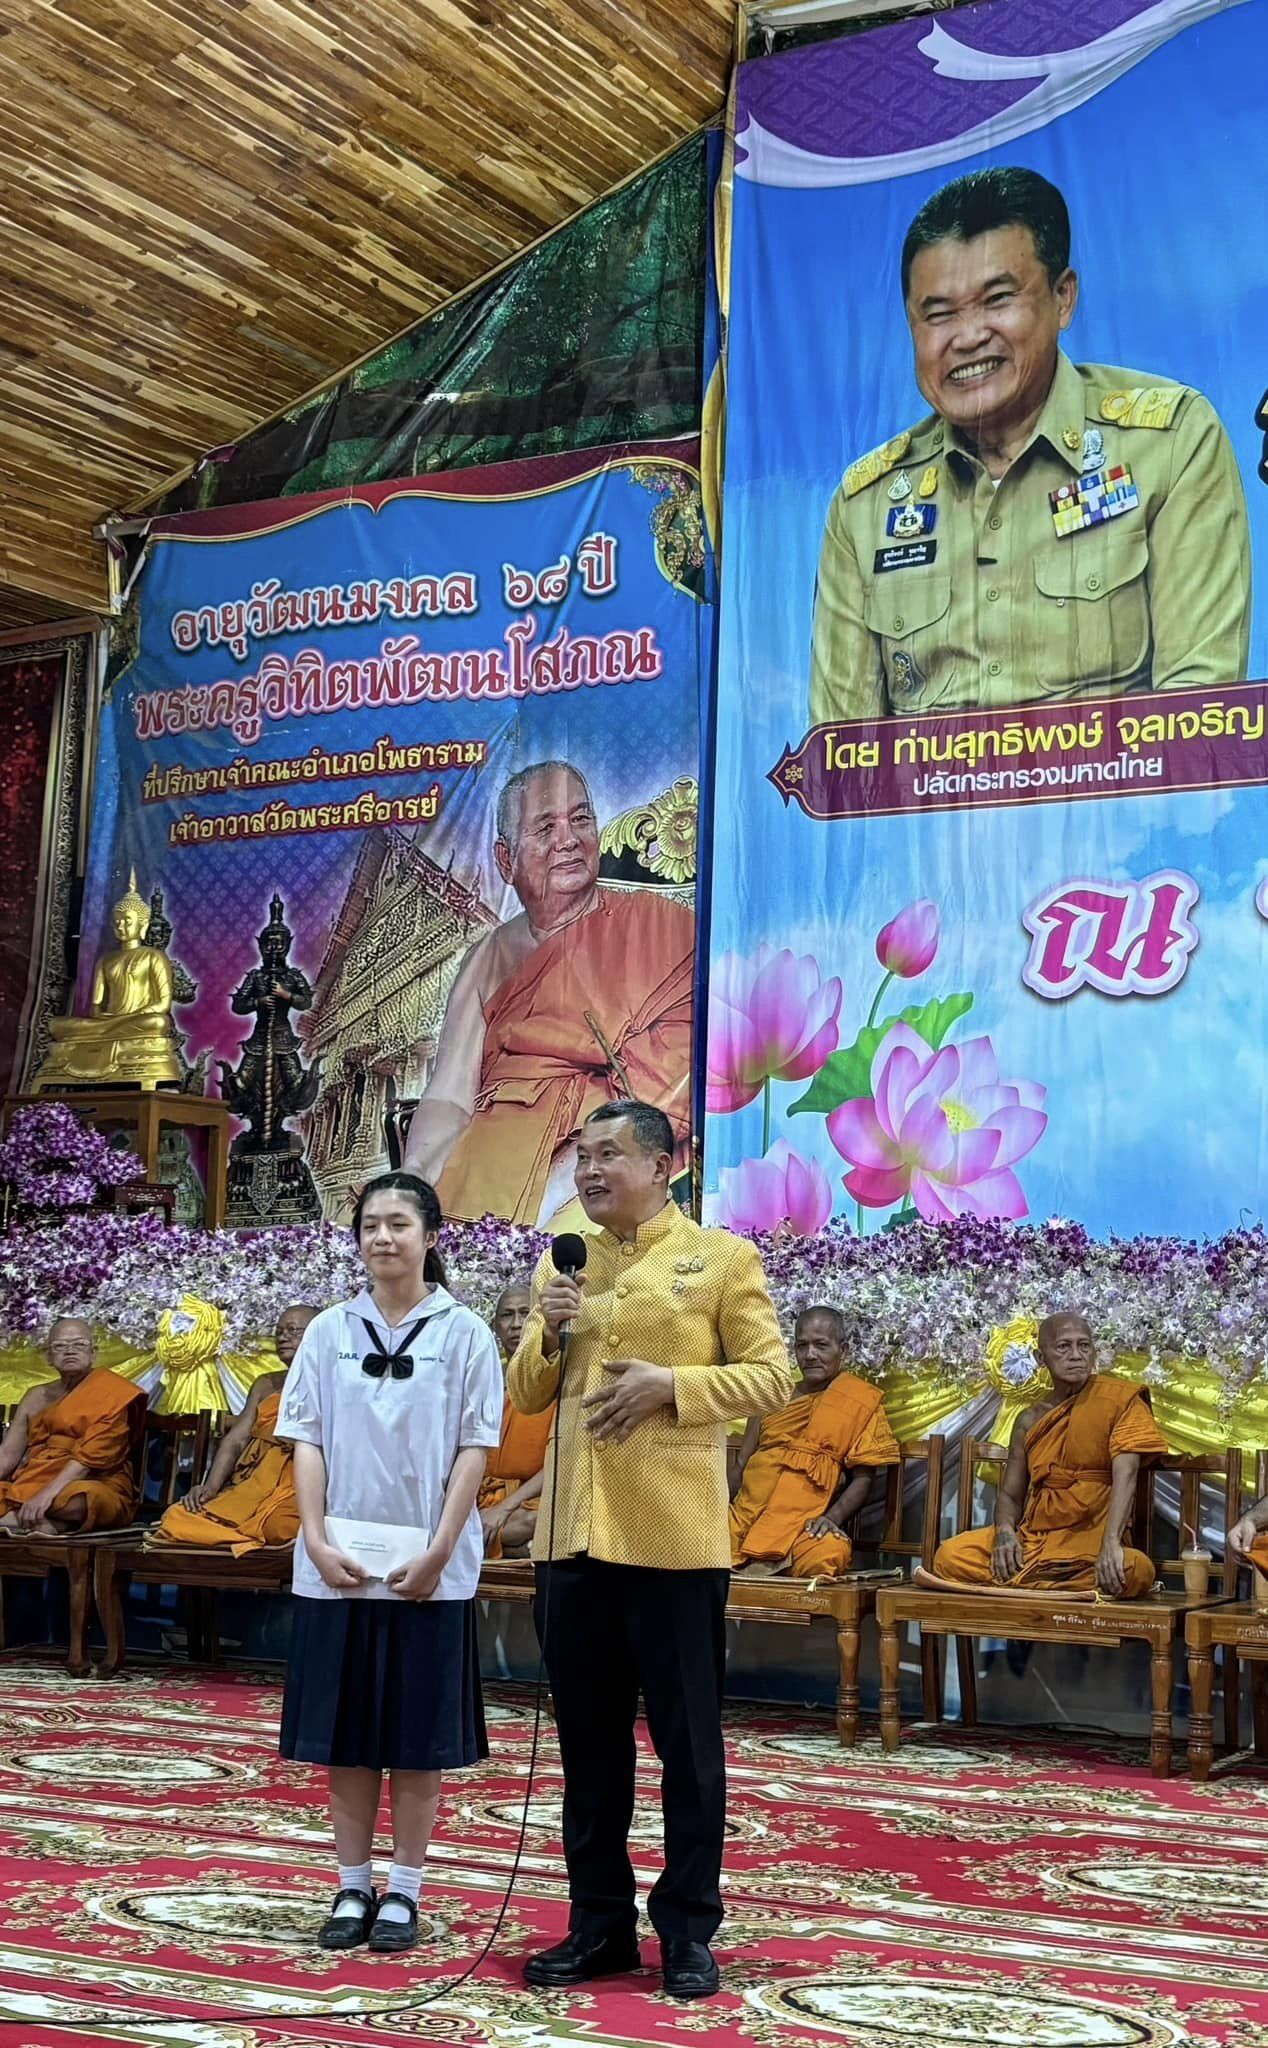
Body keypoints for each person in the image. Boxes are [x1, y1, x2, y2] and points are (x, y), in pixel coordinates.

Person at [510, 1100, 793, 2001]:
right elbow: (527, 1392)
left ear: (662, 1166)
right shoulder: (565, 1259)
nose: (588, 1172)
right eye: (581, 1157)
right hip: (573, 1538)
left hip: (673, 1542)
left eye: (607, 1156)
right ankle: (598, 1927)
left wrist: (674, 1384)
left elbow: (774, 1376)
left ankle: (687, 1931)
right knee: (589, 1751)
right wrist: (551, 1328)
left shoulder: (721, 1260)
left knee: (687, 1750)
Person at [809, 165, 1252, 724]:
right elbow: (846, 762)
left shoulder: (1169, 444)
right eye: (938, 314)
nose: (968, 337)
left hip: (1119, 804)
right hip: (928, 813)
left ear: (1062, 299)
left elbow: (1198, 721)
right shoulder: (866, 506)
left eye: (997, 299)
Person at [274, 1172, 502, 1953]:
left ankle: (403, 1889)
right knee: (344, 1736)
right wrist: (311, 1535)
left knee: (413, 1736)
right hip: (336, 1563)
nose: (382, 1237)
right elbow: (304, 1436)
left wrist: (441, 1547)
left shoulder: (466, 1332)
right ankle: (349, 1882)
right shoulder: (328, 1330)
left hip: (426, 1569)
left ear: (431, 1236)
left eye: (398, 1223)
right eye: (370, 1224)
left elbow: (476, 1446)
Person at [403, 761, 694, 1227]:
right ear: (505, 859)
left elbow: (676, 1077)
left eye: (581, 820)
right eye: (545, 827)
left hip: (605, 1161)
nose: (568, 839)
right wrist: (415, 1173)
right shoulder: (490, 956)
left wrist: (576, 1167)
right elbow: (450, 1096)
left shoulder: (662, 930)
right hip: (493, 1155)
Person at [931, 1313, 1166, 1596]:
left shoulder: (1120, 1401)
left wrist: (1111, 1543)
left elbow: (1126, 1474)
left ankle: (1031, 1582)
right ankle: (1050, 1582)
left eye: (1084, 1346)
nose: (1076, 1355)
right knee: (949, 1556)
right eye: (1064, 1347)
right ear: (1041, 1358)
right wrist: (1005, 1534)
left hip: (1092, 1541)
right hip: (1036, 1540)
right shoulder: (1029, 1420)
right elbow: (1010, 1495)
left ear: (1094, 1353)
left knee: (1136, 1569)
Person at [729, 1305, 899, 1579]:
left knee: (830, 1553)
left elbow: (863, 1479)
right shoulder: (774, 1396)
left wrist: (831, 1519)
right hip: (747, 1518)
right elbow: (741, 1463)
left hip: (802, 1526)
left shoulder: (859, 1401)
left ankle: (764, 1565)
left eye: (821, 1345)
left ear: (842, 1351)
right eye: (801, 1346)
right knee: (695, 1542)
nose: (810, 1355)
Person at [151, 1305, 319, 1552]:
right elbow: (236, 1440)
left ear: (318, 1335)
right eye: (279, 1331)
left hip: (299, 1484)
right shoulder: (265, 1384)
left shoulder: (335, 1383)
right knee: (176, 1516)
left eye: (293, 1330)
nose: (283, 1337)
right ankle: (244, 1536)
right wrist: (210, 1487)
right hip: (253, 1486)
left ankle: (244, 1534)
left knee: (279, 1527)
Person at [0, 1319, 144, 1534]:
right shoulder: (36, 1396)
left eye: (79, 1345)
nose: (70, 1351)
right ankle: (48, 1524)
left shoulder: (113, 1392)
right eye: (60, 1346)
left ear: (93, 1353)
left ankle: (13, 1519)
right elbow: (8, 1454)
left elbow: (86, 1461)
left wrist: (45, 1496)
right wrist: (38, 1492)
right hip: (34, 1478)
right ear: (48, 1356)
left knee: (84, 1499)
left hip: (94, 1480)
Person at [478, 1282, 554, 1559]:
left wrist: (506, 1507)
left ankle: (476, 1543)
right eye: (507, 1315)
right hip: (484, 1500)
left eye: (525, 1313)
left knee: (540, 1520)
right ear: (495, 1325)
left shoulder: (555, 1381)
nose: (516, 1323)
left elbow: (561, 1458)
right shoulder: (485, 1382)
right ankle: (520, 1550)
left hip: (530, 1503)